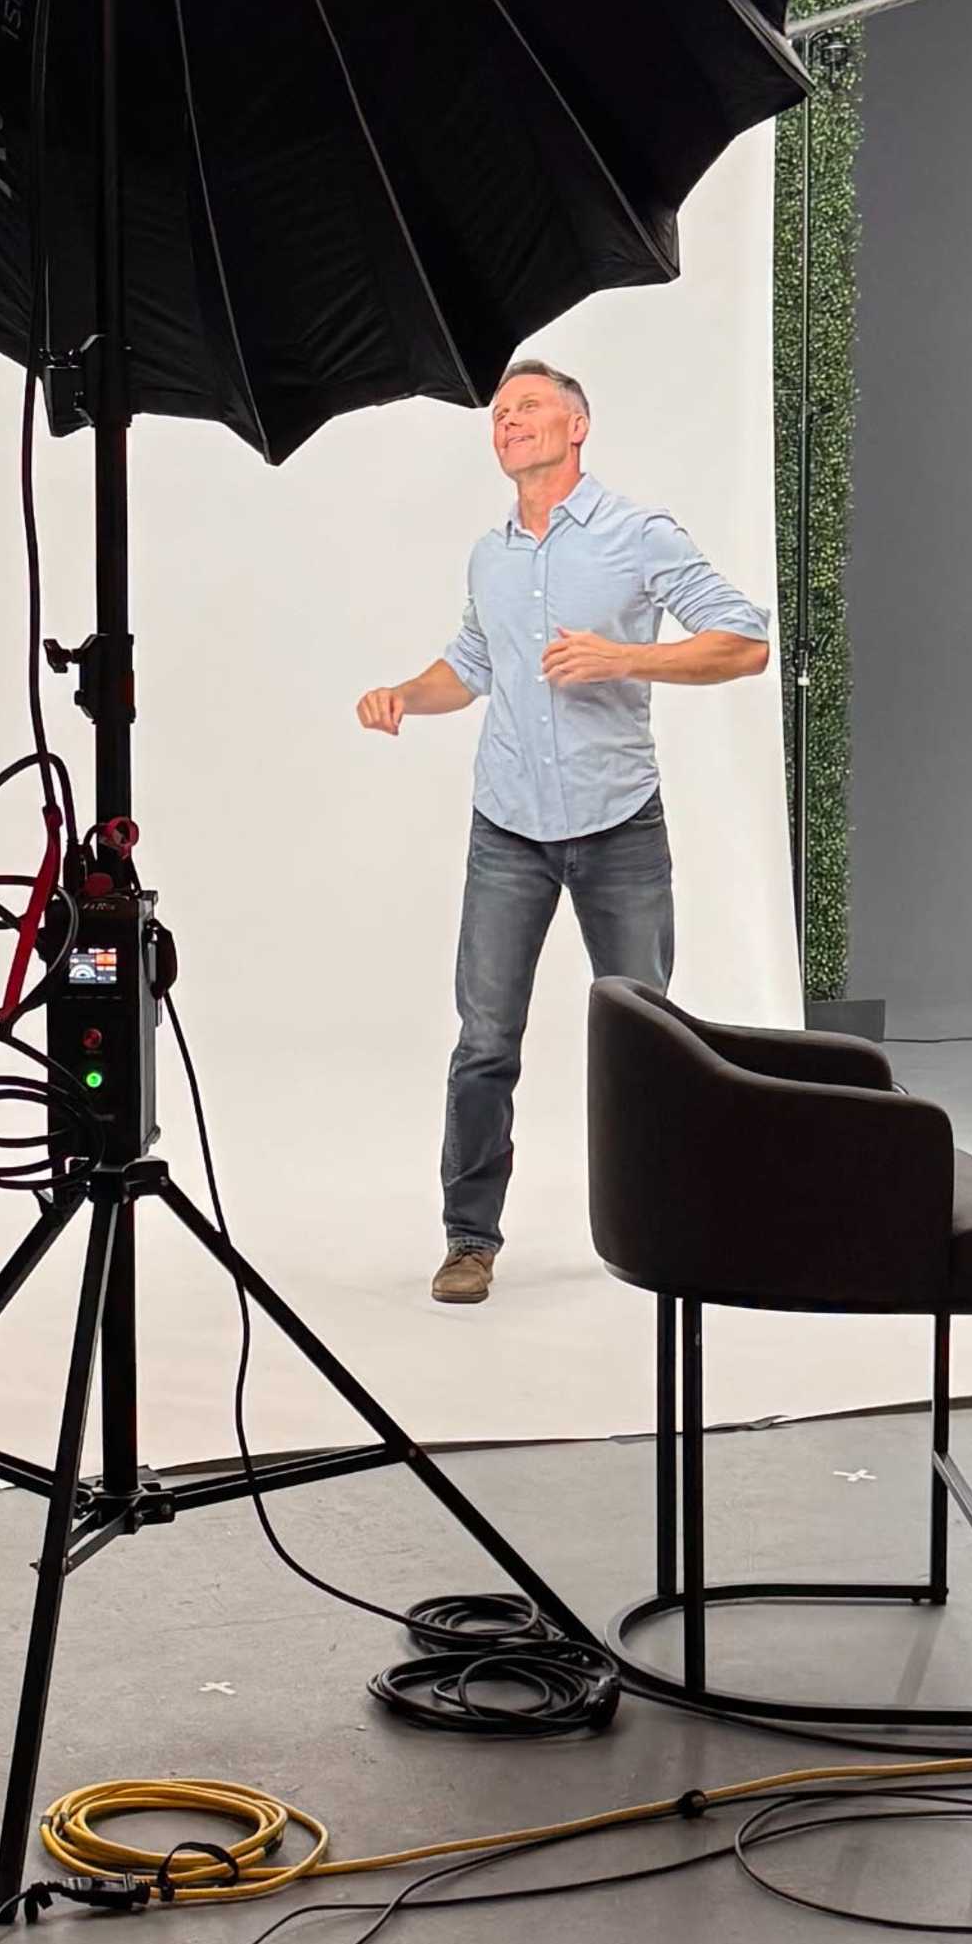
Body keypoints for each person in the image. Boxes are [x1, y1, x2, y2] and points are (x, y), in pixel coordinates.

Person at [355, 356, 769, 1300]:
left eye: (530, 406)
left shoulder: (637, 534)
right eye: (500, 413)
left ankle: (668, 1230)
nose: (510, 421)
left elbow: (743, 641)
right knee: (485, 1041)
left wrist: (623, 656)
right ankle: (470, 1240)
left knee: (645, 1040)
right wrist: (403, 698)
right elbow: (471, 665)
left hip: (618, 825)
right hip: (507, 828)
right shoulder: (490, 554)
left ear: (578, 425)